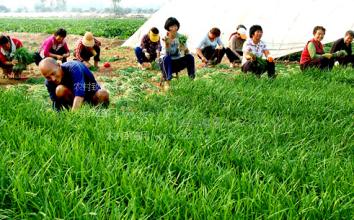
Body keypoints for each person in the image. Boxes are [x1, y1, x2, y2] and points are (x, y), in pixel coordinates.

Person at [39, 57, 109, 111]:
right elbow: (55, 103)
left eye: (53, 73)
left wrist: (72, 119)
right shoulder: (49, 82)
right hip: (73, 96)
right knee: (60, 90)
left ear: (59, 65)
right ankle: (71, 110)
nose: (53, 79)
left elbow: (80, 94)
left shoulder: (74, 68)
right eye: (48, 77)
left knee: (102, 94)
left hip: (90, 93)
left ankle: (98, 113)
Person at [159, 17, 195, 86]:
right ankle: (167, 81)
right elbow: (167, 53)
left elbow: (185, 52)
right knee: (167, 58)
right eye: (171, 27)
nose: (174, 28)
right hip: (166, 63)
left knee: (190, 57)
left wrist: (184, 48)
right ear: (168, 28)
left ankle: (191, 79)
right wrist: (167, 44)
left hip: (177, 61)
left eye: (175, 26)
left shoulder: (181, 37)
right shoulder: (165, 38)